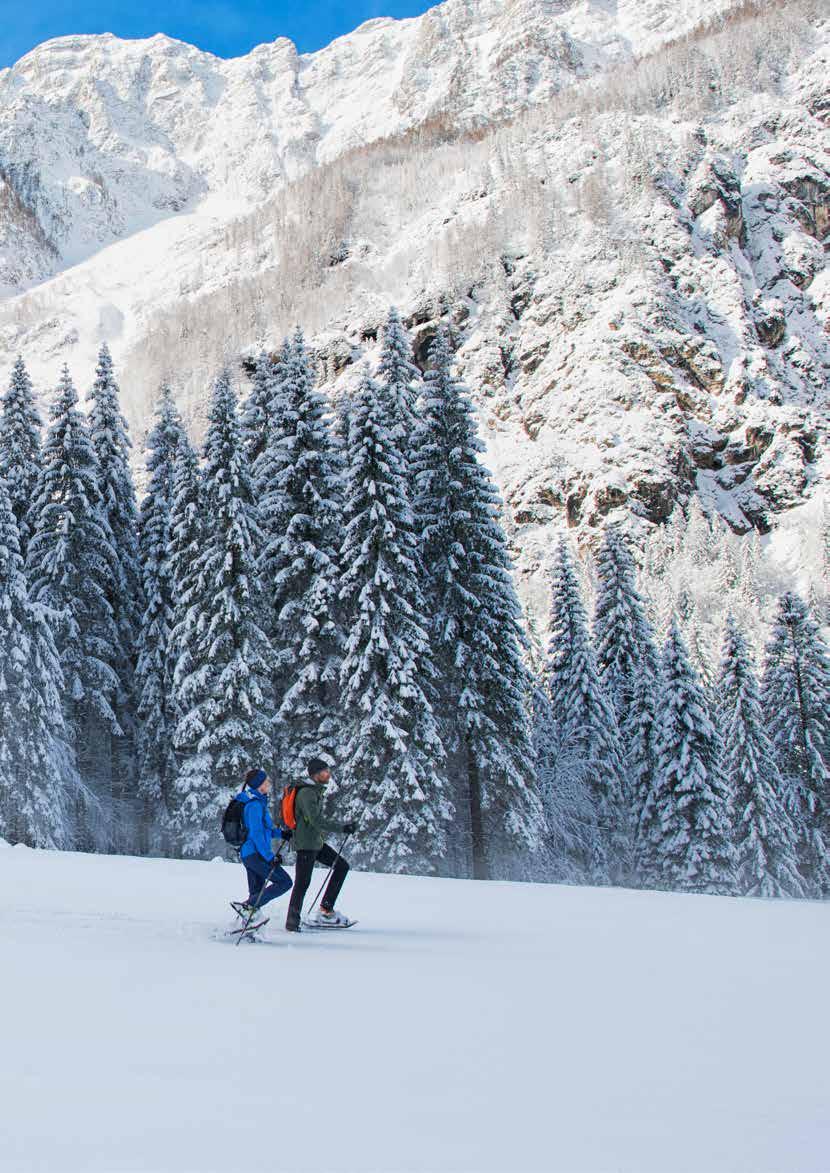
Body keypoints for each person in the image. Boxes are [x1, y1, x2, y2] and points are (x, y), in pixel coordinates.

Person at [285, 757, 357, 932]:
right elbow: (316, 820)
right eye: (325, 771)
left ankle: (326, 909)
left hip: (314, 843)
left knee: (341, 866)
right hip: (305, 844)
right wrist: (342, 827)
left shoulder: (314, 791)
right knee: (303, 882)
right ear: (316, 774)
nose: (328, 774)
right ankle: (292, 921)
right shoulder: (307, 793)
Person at [234, 767, 293, 917]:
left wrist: (281, 834)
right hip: (255, 854)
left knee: (257, 892)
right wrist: (269, 857)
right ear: (259, 784)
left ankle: (249, 923)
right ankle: (247, 906)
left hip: (250, 853)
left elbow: (264, 830)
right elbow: (256, 834)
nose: (269, 782)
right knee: (285, 882)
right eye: (266, 781)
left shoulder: (258, 802)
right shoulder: (254, 805)